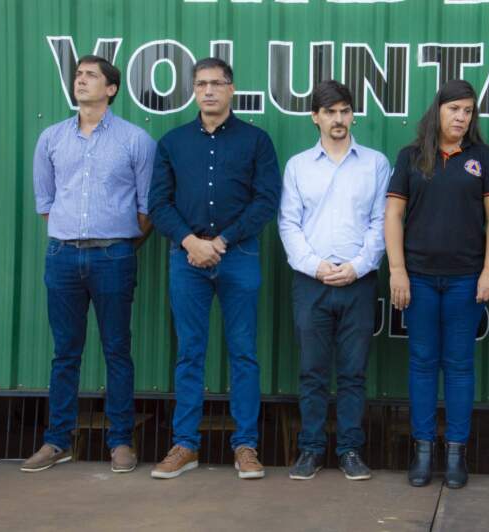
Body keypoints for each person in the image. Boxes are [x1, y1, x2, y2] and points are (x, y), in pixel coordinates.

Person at [148, 57, 281, 480]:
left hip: (237, 256)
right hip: (186, 259)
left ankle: (245, 445)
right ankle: (185, 446)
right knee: (190, 353)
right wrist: (191, 242)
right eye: (201, 83)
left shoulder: (256, 142)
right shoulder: (172, 142)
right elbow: (158, 204)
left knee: (243, 353)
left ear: (231, 89)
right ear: (193, 90)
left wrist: (220, 242)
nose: (208, 90)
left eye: (217, 83)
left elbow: (265, 200)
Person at [24, 55, 156, 474]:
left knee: (117, 350)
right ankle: (57, 440)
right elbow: (46, 203)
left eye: (91, 76)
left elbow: (147, 208)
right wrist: (73, 237)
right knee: (65, 353)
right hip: (63, 254)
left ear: (111, 88)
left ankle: (120, 441)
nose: (80, 81)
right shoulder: (51, 139)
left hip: (114, 255)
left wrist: (119, 245)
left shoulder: (136, 140)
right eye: (78, 75)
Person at [384, 79, 489, 489]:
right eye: (454, 109)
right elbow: (393, 217)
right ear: (437, 110)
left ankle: (456, 453)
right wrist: (397, 270)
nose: (461, 117)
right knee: (421, 364)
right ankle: (422, 451)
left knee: (458, 366)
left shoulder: (482, 157)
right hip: (417, 278)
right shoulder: (411, 156)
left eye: (468, 111)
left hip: (465, 280)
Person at [279, 80, 390, 481]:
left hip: (359, 281)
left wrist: (358, 265)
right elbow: (288, 224)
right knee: (311, 370)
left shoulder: (375, 163)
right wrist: (315, 265)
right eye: (329, 111)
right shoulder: (297, 166)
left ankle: (350, 450)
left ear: (353, 114)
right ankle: (310, 449)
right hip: (311, 282)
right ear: (315, 117)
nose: (338, 119)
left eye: (344, 110)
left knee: (353, 372)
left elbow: (382, 222)